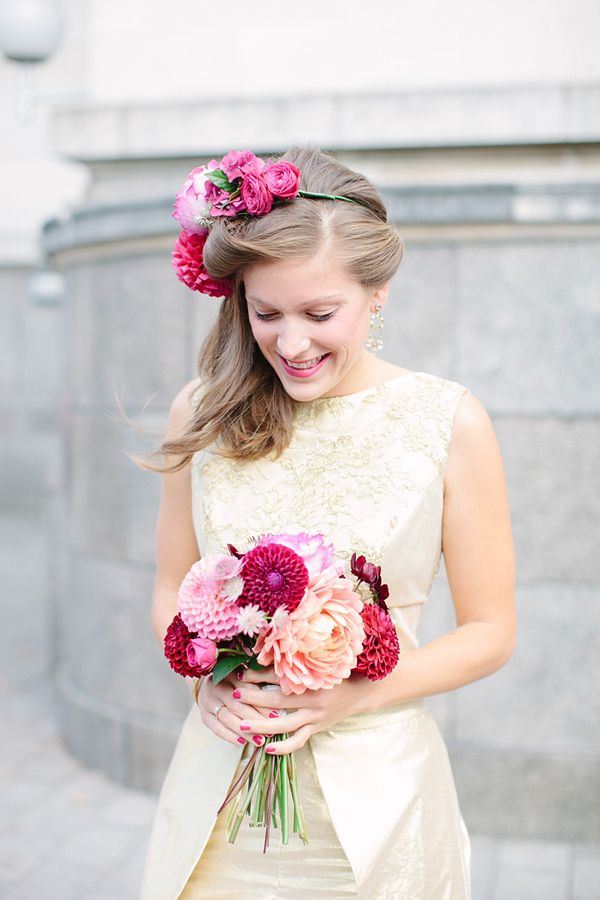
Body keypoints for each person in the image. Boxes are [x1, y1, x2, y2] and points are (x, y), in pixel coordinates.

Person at [141, 146, 516, 900]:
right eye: (265, 313)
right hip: (221, 810)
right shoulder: (203, 413)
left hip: (379, 808)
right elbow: (168, 590)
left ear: (376, 293)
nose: (291, 343)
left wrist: (356, 695)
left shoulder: (449, 422)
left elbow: (491, 631)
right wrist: (204, 684)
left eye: (319, 314)